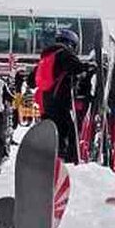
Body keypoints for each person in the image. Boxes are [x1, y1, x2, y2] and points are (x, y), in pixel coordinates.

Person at [35, 28, 86, 163]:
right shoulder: (64, 54)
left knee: (52, 133)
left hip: (45, 103)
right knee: (69, 132)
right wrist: (88, 67)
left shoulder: (45, 57)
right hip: (60, 101)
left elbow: (31, 80)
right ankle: (65, 161)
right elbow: (78, 68)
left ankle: (47, 157)